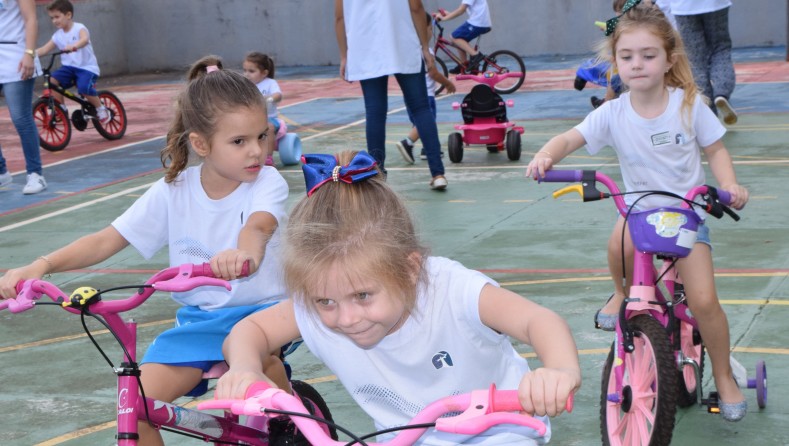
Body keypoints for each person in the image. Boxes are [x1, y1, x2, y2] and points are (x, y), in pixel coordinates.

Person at [0, 55, 292, 445]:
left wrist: (245, 256)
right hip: (199, 322)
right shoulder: (174, 191)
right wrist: (40, 266)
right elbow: (108, 238)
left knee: (256, 367)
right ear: (201, 144)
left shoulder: (266, 183)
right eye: (239, 141)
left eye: (261, 136)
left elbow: (258, 227)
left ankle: (293, 417)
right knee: (135, 408)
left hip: (261, 316)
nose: (256, 150)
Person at [217, 150, 582, 445]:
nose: (345, 318)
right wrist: (245, 368)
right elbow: (249, 332)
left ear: (409, 270)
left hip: (497, 428)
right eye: (324, 301)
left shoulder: (449, 289)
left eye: (362, 295)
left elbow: (541, 321)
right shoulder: (317, 306)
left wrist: (557, 371)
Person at [525, 4, 749, 422]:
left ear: (669, 60)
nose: (637, 64)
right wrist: (545, 154)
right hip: (641, 214)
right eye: (627, 57)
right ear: (616, 63)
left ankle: (723, 374)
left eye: (648, 55)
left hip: (688, 216)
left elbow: (715, 149)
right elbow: (570, 138)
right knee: (618, 239)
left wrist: (730, 185)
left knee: (704, 301)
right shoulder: (613, 112)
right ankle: (621, 290)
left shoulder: (687, 103)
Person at [335, 0, 448, 190]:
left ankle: (377, 176)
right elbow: (416, 7)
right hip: (402, 43)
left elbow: (339, 17)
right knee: (421, 108)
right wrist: (424, 46)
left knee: (375, 112)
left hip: (365, 49)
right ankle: (438, 174)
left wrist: (344, 55)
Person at [35, 0, 111, 125]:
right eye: (52, 18)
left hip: (86, 68)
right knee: (52, 81)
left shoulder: (79, 28)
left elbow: (85, 39)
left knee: (83, 88)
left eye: (57, 17)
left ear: (68, 15)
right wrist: (29, 54)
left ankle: (100, 108)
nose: (54, 21)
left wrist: (74, 46)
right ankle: (62, 109)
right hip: (69, 68)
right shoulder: (57, 36)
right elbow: (44, 49)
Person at [396, 13, 456, 163]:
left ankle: (426, 149)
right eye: (430, 28)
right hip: (426, 95)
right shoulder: (426, 51)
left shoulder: (408, 51)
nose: (430, 32)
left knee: (419, 122)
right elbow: (433, 73)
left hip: (410, 95)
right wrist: (448, 83)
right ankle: (408, 142)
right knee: (426, 121)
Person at [0, 0, 46, 195]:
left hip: (15, 56)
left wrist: (29, 53)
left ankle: (36, 174)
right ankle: (1, 172)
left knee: (21, 117)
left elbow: (31, 19)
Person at [670, 0, 737, 124]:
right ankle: (722, 92)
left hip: (683, 7)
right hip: (716, 4)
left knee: (695, 60)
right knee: (720, 48)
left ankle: (708, 111)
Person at [243, 52, 283, 167]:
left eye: (251, 71)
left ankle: (268, 158)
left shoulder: (270, 83)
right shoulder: (245, 85)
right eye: (245, 70)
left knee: (268, 127)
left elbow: (278, 95)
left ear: (264, 73)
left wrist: (269, 98)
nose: (246, 74)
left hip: (270, 119)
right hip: (250, 120)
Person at [435, 0, 491, 74]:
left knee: (454, 37)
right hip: (480, 22)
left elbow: (461, 10)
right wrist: (447, 14)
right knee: (457, 41)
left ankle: (476, 55)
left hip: (478, 22)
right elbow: (462, 9)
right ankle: (463, 64)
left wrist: (444, 19)